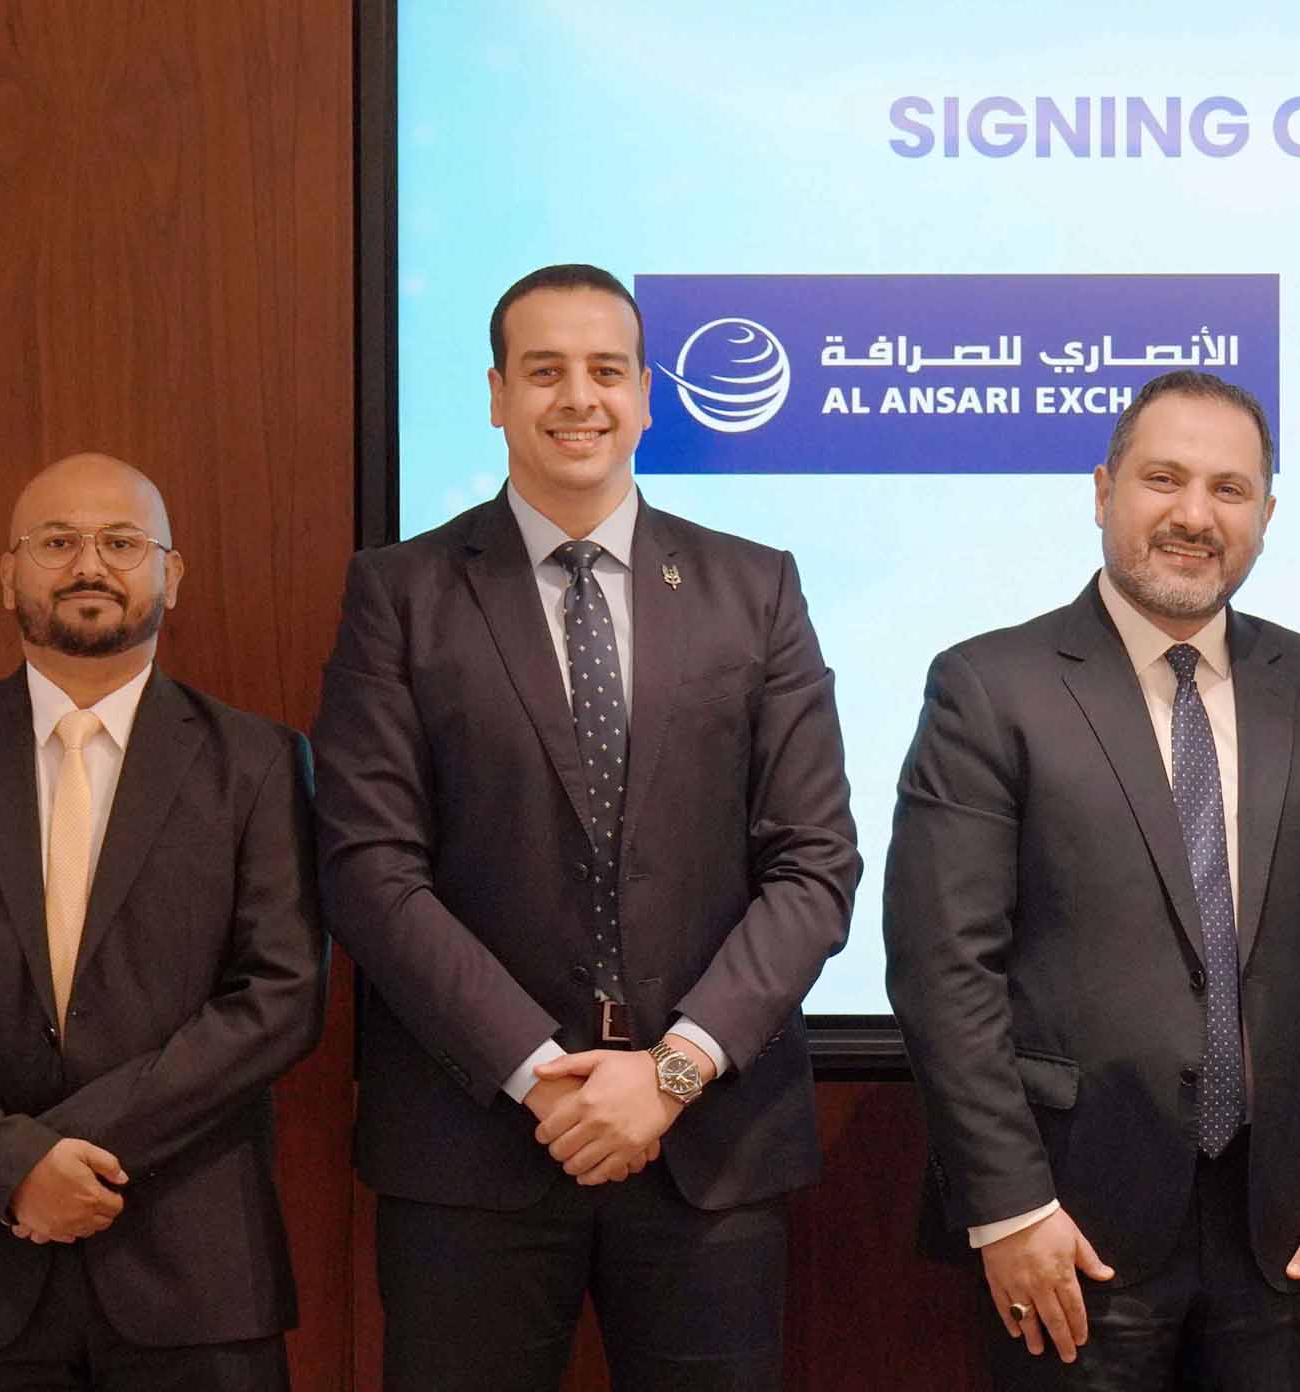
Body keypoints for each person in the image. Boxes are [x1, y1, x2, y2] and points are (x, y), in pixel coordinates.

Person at [312, 263, 859, 1389]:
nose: (579, 398)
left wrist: (671, 1073)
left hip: (708, 1146)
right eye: (545, 370)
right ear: (497, 395)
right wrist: (536, 1072)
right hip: (475, 1147)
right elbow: (370, 870)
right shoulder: (400, 594)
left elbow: (813, 866)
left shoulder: (755, 589)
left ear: (648, 395)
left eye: (607, 370)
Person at [884, 369, 1300, 1389]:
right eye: (1164, 479)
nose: (1194, 515)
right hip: (1066, 1227)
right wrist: (1008, 1207)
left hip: (1293, 1230)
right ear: (1104, 492)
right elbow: (943, 971)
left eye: (1230, 489)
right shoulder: (990, 688)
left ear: (1266, 515)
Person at [0, 452, 324, 1389]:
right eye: (56, 542)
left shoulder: (258, 763)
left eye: (122, 542)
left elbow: (281, 998)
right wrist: (11, 1165)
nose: (89, 564)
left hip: (196, 1270)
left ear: (171, 573)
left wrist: (63, 1153)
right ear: (7, 573)